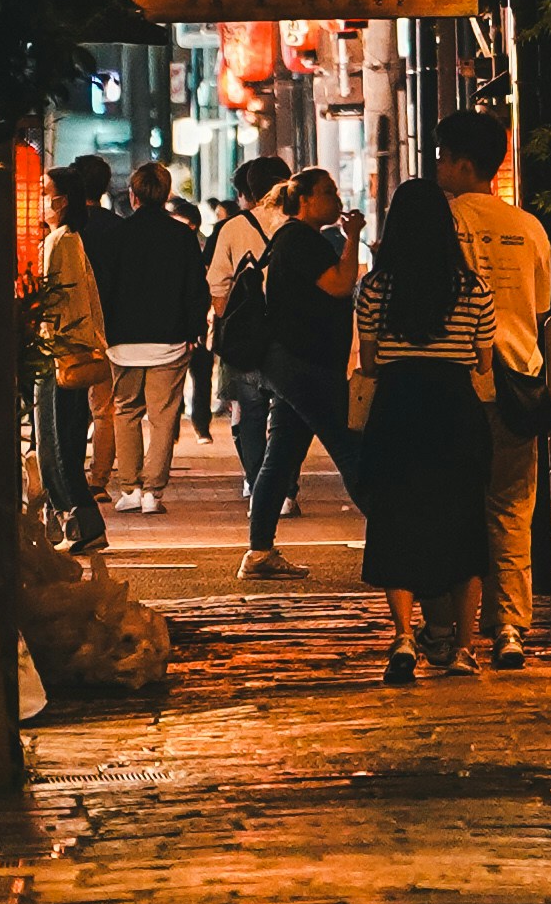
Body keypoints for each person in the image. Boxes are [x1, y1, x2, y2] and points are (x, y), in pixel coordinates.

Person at [353, 174, 493, 683]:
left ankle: (404, 639)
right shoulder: (474, 289)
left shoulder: (375, 288)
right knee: (463, 525)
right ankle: (462, 647)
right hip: (454, 410)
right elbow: (482, 361)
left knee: (398, 522)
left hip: (398, 410)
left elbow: (368, 364)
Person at [432, 103, 551, 669]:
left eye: (442, 158)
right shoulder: (528, 227)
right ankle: (509, 626)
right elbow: (542, 308)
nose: (438, 168)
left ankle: (446, 630)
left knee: (451, 505)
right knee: (511, 507)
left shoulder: (442, 220)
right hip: (520, 384)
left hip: (456, 387)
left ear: (460, 164)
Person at [237, 171, 366, 569]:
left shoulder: (294, 238)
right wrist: (354, 236)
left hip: (292, 360)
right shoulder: (300, 240)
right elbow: (341, 284)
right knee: (348, 446)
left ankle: (259, 552)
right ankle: (395, 535)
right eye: (327, 193)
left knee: (282, 453)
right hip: (301, 362)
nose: (337, 198)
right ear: (304, 200)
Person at [87, 153, 207, 510]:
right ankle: (154, 492)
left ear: (134, 196)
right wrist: (193, 330)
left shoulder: (117, 236)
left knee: (125, 411)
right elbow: (195, 288)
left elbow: (103, 289)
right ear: (166, 194)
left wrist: (104, 332)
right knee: (163, 416)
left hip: (123, 342)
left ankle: (129, 489)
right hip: (170, 340)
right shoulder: (182, 236)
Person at [30, 154, 113, 543]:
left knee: (58, 442)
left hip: (60, 353)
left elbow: (60, 301)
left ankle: (82, 521)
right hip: (65, 350)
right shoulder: (67, 239)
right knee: (58, 438)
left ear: (61, 201)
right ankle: (74, 519)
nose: (39, 199)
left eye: (44, 193)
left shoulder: (60, 241)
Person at [199, 163, 284, 445]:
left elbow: (217, 285)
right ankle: (284, 477)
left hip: (246, 331)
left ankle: (256, 478)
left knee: (251, 408)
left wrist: (228, 317)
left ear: (246, 193)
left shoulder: (231, 228)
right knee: (286, 409)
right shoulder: (297, 223)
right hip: (288, 329)